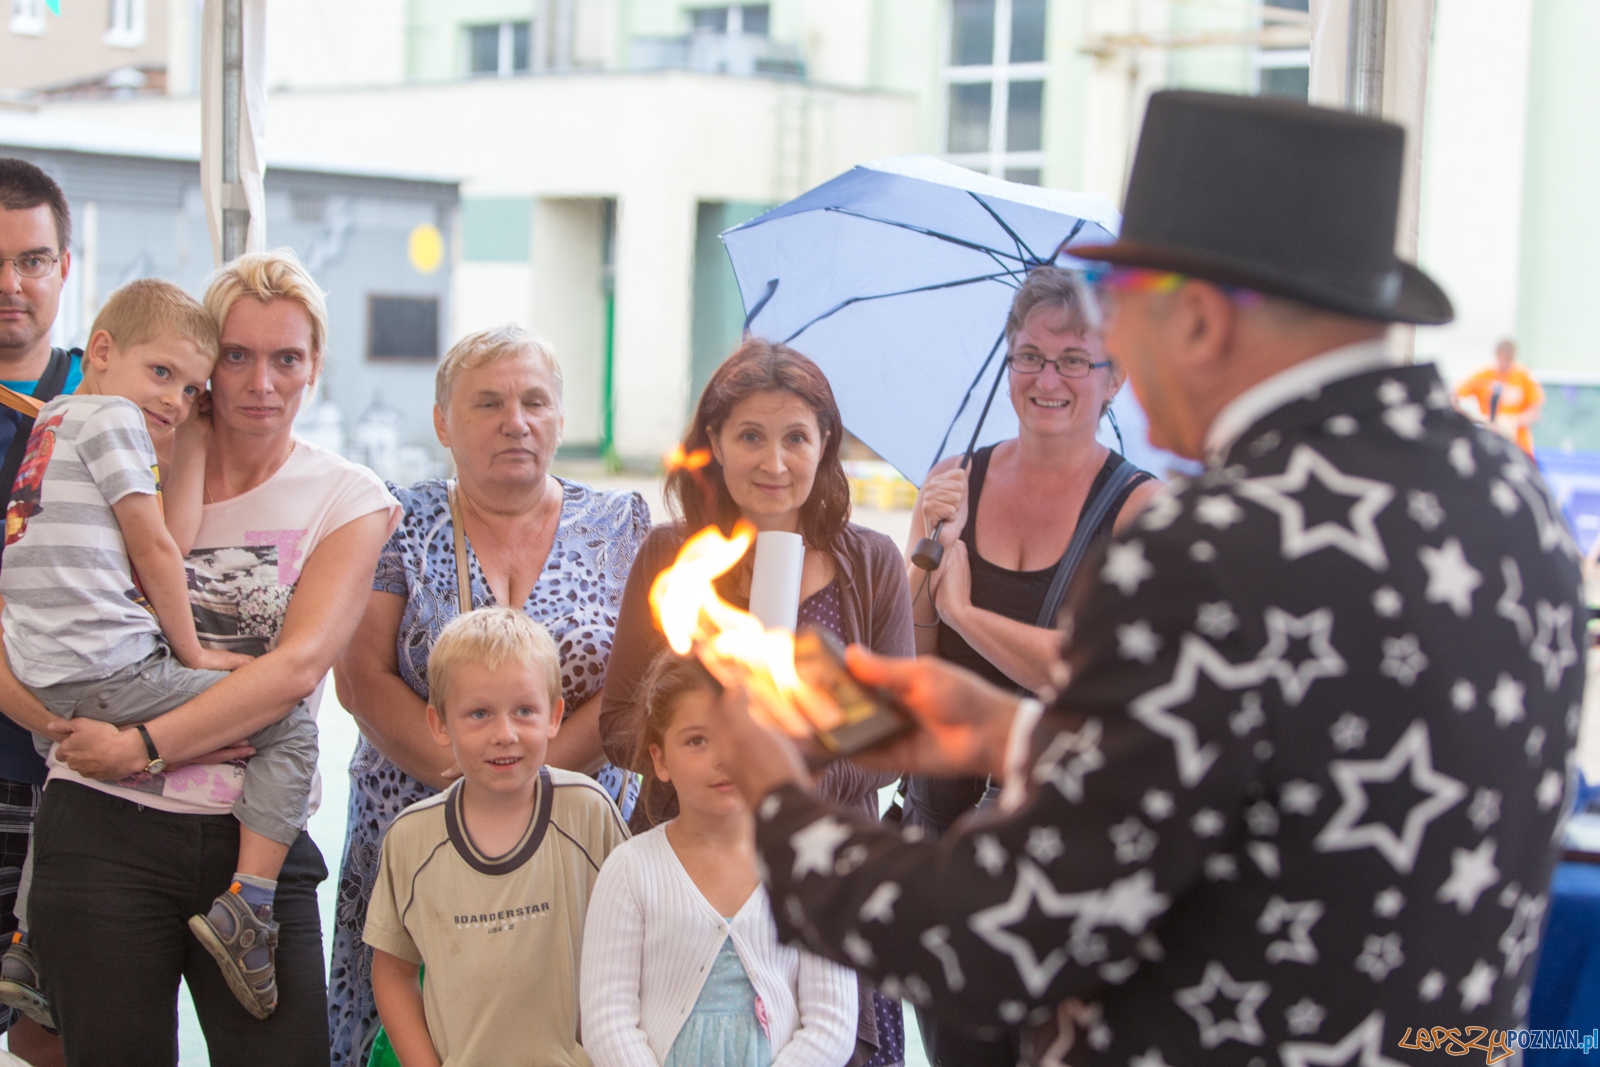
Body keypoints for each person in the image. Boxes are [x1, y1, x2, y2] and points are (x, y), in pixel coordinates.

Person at [704, 91, 1583, 1065]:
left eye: (1118, 308)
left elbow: (994, 940)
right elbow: (1298, 773)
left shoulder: (1214, 544)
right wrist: (1015, 729)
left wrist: (777, 798)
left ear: (1199, 322)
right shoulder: (1510, 495)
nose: (1107, 347)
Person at [0, 249, 398, 1064]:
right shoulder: (125, 450)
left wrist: (139, 747)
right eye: (237, 356)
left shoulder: (347, 496)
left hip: (251, 835)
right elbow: (24, 606)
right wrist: (59, 725)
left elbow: (293, 672)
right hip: (99, 826)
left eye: (286, 358)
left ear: (315, 365)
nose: (260, 382)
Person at [330, 324, 650, 1066]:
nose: (517, 420)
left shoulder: (621, 523)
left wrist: (525, 780)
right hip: (413, 833)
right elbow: (362, 676)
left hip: (570, 842)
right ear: (443, 421)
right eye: (488, 403)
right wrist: (462, 770)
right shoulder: (397, 522)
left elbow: (640, 677)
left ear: (561, 418)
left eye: (536, 400)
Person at [599, 338, 910, 1067]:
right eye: (750, 436)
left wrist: (791, 769)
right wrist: (702, 731)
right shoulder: (673, 561)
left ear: (825, 443)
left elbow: (890, 740)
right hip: (692, 879)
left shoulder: (870, 564)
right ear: (712, 442)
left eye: (796, 436)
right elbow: (618, 725)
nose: (774, 462)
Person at [366, 607, 629, 1067]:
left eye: (524, 711)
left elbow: (639, 941)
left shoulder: (588, 812)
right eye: (479, 714)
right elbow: (392, 971)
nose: (504, 734)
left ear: (555, 715)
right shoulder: (412, 839)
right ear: (439, 725)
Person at [582, 652, 857, 1067]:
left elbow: (832, 1021)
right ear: (660, 759)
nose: (722, 758)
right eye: (697, 740)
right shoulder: (630, 871)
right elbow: (607, 1020)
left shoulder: (809, 871)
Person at [0, 158, 84, 1067]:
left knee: (55, 1033)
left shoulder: (108, 400)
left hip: (80, 778)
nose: (10, 284)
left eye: (30, 259)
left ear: (65, 265)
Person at [1455, 339, 1544, 456]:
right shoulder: (1483, 376)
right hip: (1490, 442)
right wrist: (1475, 419)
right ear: (1497, 355)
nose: (1506, 362)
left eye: (1509, 359)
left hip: (1519, 445)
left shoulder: (1524, 377)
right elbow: (1454, 397)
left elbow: (1535, 413)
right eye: (1504, 358)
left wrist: (1511, 421)